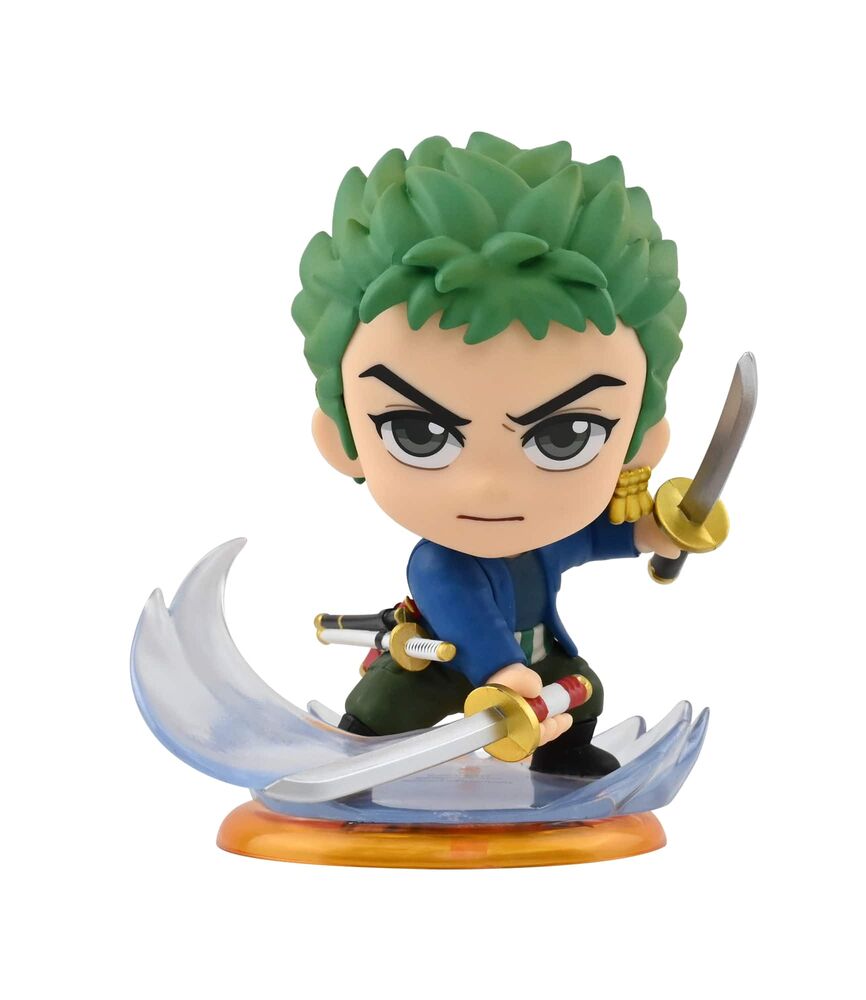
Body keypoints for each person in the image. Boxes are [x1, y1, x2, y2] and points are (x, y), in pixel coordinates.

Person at [293, 133, 685, 777]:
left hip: (534, 667)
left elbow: (591, 538)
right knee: (385, 705)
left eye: (567, 436)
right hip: (445, 662)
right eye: (418, 433)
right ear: (344, 441)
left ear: (638, 445)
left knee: (584, 689)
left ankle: (566, 755)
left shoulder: (542, 541)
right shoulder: (440, 563)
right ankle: (355, 760)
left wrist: (655, 531)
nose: (490, 486)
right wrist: (503, 671)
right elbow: (466, 616)